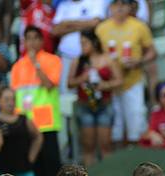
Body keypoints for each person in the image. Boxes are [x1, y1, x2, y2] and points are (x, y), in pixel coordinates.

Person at [96, 0, 157, 146]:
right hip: (110, 85)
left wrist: (139, 61)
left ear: (130, 7)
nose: (120, 8)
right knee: (115, 127)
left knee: (136, 122)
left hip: (133, 80)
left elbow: (152, 52)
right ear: (110, 7)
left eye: (124, 4)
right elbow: (94, 55)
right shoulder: (101, 28)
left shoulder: (139, 26)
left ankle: (136, 157)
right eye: (116, 4)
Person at [10, 26, 62, 176]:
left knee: (52, 163)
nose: (31, 42)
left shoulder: (52, 60)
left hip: (46, 121)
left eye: (35, 38)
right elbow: (15, 94)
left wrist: (36, 64)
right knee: (34, 164)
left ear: (41, 40)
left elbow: (48, 84)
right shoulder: (18, 66)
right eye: (28, 39)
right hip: (26, 122)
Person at [68, 30, 122, 166]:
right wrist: (82, 78)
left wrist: (105, 85)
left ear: (94, 42)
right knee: (88, 145)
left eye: (85, 43)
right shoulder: (78, 61)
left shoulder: (108, 59)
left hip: (104, 104)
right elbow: (69, 83)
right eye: (81, 43)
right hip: (85, 105)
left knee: (106, 144)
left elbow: (119, 80)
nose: (82, 46)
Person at [0, 86, 42, 176]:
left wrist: (31, 157)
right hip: (1, 172)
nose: (10, 103)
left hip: (24, 170)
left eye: (13, 99)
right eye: (6, 99)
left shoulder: (23, 119)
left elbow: (38, 137)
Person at [50, 0, 105, 94]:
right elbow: (55, 31)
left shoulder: (95, 2)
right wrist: (85, 25)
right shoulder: (64, 6)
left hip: (90, 57)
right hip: (67, 56)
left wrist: (68, 23)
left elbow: (95, 23)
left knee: (93, 91)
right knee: (66, 92)